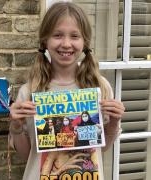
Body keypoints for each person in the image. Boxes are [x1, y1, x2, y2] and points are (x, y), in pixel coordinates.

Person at [9, 2, 125, 180]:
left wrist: (114, 122)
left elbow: (101, 149)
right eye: (57, 35)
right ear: (45, 41)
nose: (66, 44)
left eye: (74, 36)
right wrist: (16, 127)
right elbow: (28, 156)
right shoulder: (29, 92)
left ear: (84, 41)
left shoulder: (99, 87)